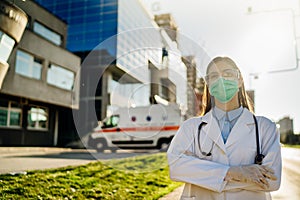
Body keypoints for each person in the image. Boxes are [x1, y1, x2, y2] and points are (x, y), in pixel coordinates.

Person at [167, 56, 282, 200]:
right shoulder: (191, 127)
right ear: (208, 84)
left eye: (227, 74)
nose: (221, 80)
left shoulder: (265, 127)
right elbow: (176, 168)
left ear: (239, 80)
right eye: (214, 76)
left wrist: (204, 176)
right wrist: (235, 173)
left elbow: (272, 181)